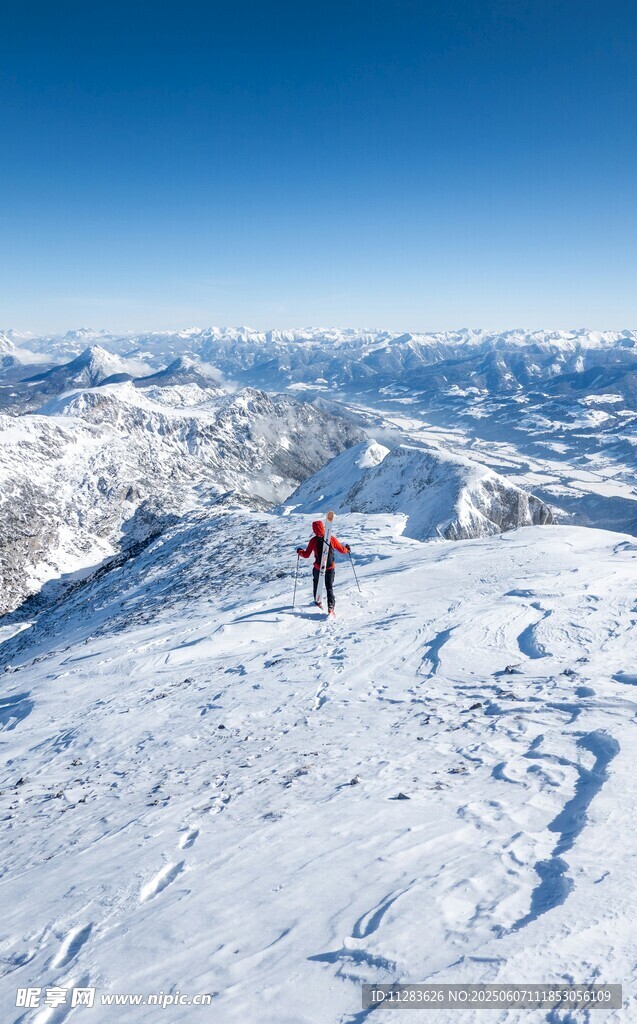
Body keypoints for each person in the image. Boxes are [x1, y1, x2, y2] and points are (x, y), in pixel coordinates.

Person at [297, 520, 350, 614]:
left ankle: (318, 602)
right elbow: (341, 550)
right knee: (329, 587)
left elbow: (306, 555)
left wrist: (299, 551)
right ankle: (331, 607)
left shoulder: (313, 540)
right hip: (330, 568)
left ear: (314, 529)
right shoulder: (331, 539)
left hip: (318, 568)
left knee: (317, 584)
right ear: (323, 527)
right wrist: (347, 549)